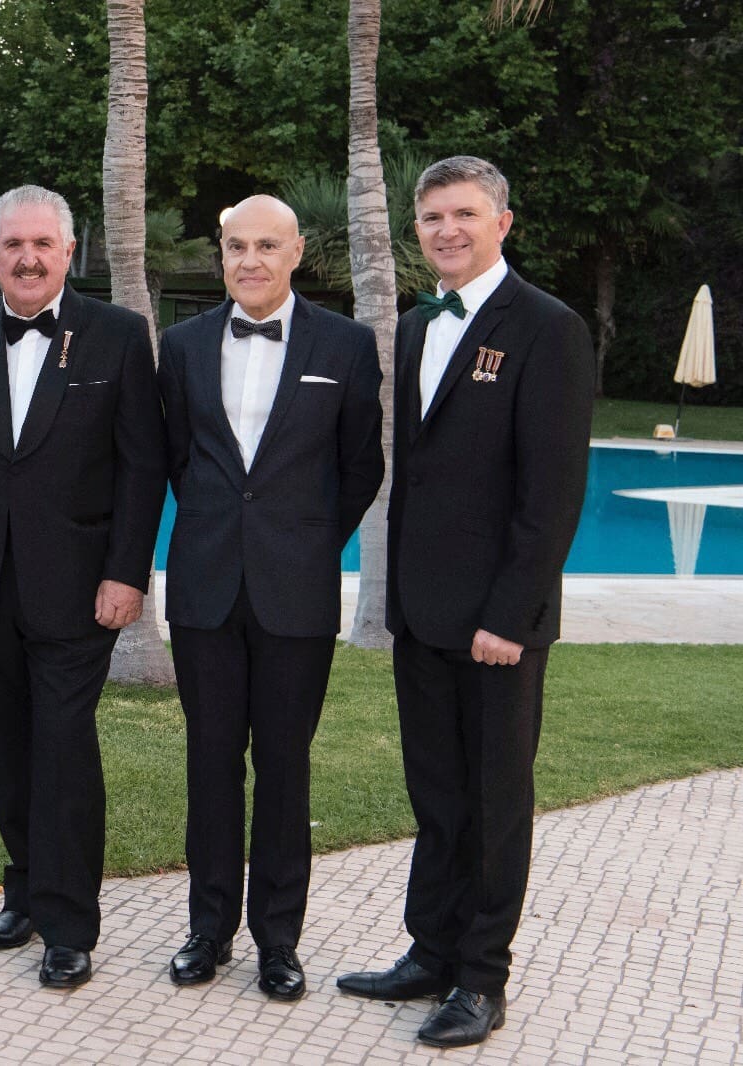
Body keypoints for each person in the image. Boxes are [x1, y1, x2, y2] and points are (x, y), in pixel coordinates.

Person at [336, 156, 594, 1047]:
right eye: (433, 217)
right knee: (438, 796)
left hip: (496, 624)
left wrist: (509, 617)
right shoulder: (415, 327)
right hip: (422, 614)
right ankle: (431, 950)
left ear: (502, 224)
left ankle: (482, 978)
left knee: (493, 804)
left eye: (466, 214)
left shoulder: (549, 328)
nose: (448, 230)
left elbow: (551, 494)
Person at [0, 185, 166, 988]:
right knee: (6, 747)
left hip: (79, 585)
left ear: (68, 252)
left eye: (42, 244)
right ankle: (22, 890)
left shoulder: (117, 334)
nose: (27, 259)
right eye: (13, 245)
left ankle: (69, 924)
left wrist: (127, 571)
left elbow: (142, 465)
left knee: (61, 750)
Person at [156, 195, 383, 999]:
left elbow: (361, 465)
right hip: (206, 588)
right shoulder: (181, 345)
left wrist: (307, 539)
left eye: (265, 246)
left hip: (297, 590)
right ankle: (207, 930)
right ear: (221, 256)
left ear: (296, 253)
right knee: (210, 763)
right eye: (235, 247)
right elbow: (177, 457)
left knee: (285, 770)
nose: (249, 260)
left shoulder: (346, 345)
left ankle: (279, 942)